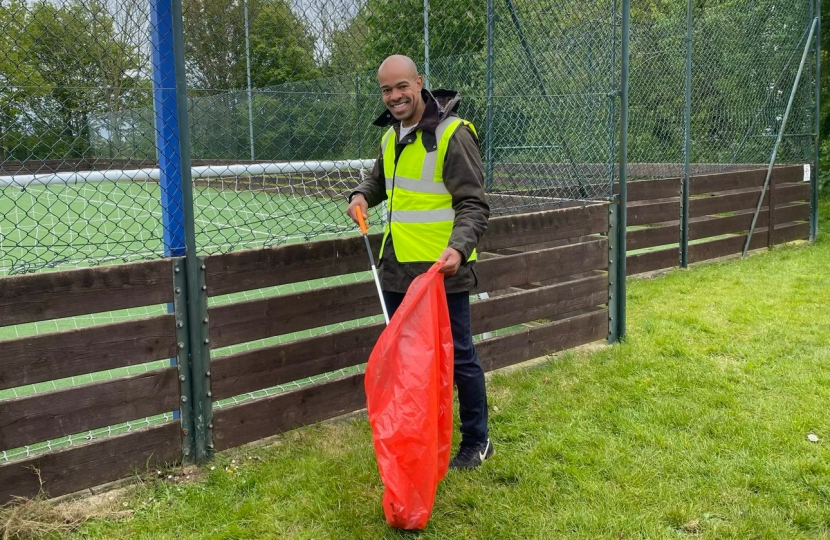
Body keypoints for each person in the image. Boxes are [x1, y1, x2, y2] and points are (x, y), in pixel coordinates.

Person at [346, 54, 493, 469]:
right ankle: (422, 433)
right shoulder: (391, 137)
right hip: (396, 269)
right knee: (409, 360)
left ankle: (477, 441)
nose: (394, 97)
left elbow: (474, 204)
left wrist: (459, 249)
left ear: (419, 83)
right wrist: (360, 195)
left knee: (458, 356)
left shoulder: (453, 135)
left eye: (401, 87)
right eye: (386, 90)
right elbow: (379, 181)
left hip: (441, 271)